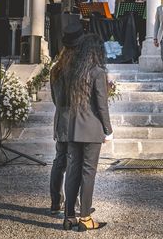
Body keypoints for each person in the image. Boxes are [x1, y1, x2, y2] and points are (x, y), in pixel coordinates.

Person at [53, 33, 113, 231]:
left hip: (72, 127)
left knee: (72, 172)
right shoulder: (97, 72)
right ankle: (86, 217)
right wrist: (108, 130)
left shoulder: (72, 71)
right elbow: (102, 106)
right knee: (88, 173)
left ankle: (69, 216)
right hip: (91, 128)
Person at [49, 22, 84, 216]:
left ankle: (55, 201)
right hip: (75, 120)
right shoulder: (78, 68)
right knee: (74, 164)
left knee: (59, 161)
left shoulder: (55, 68)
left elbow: (55, 99)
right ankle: (75, 204)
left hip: (60, 119)